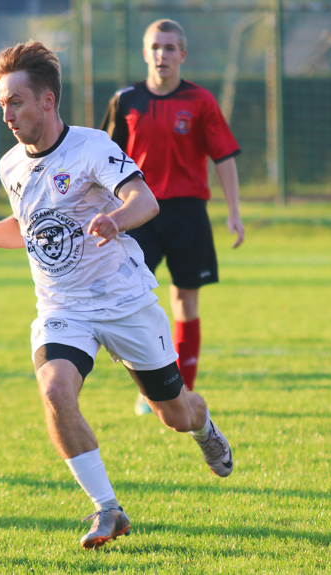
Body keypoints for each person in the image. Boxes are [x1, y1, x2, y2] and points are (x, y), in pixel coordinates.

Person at [0, 41, 233, 550]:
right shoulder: (10, 165)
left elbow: (142, 200)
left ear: (47, 101)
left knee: (174, 413)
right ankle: (108, 509)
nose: (8, 114)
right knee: (55, 391)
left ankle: (204, 425)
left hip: (125, 302)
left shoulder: (91, 146)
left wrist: (114, 219)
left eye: (16, 102)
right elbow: (29, 226)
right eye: (1, 104)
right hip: (63, 308)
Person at [100, 19, 245, 415]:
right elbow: (104, 162)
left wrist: (233, 212)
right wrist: (102, 210)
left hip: (187, 213)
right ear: (145, 53)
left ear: (183, 55)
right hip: (139, 212)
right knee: (131, 300)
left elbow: (224, 158)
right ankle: (151, 384)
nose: (162, 55)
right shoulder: (126, 100)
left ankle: (182, 392)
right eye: (155, 47)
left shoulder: (201, 101)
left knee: (185, 301)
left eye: (169, 48)